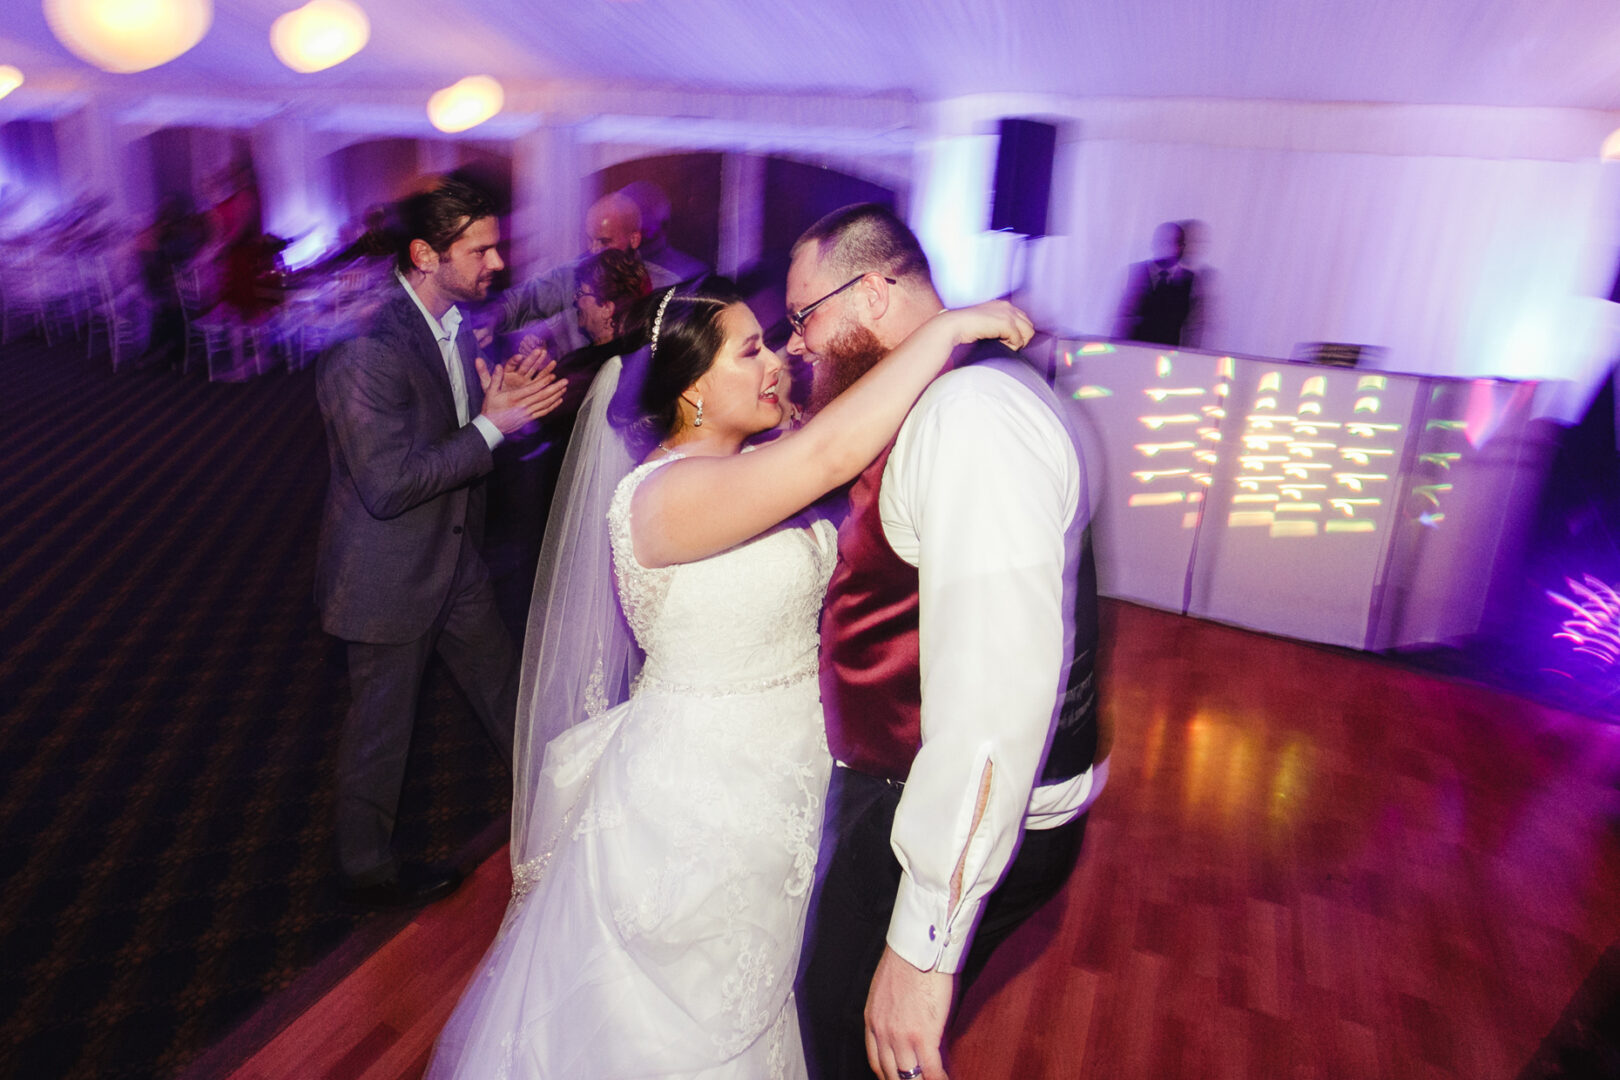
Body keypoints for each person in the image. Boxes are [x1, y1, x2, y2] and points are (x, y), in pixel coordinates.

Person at [424, 277, 1032, 1079]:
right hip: (698, 801)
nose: (777, 359)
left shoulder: (755, 464)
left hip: (787, 779)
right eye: (751, 350)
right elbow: (829, 453)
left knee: (763, 1004)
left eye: (771, 341)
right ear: (694, 391)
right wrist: (946, 328)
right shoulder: (661, 498)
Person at [786, 204, 1106, 1080]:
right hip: (921, 790)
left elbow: (995, 700)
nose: (799, 344)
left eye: (805, 315)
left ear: (876, 291)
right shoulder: (946, 392)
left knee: (849, 1035)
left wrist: (925, 949)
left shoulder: (971, 419)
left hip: (950, 809)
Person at [314, 176, 568, 910]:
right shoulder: (366, 350)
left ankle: (562, 809)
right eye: (481, 250)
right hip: (386, 572)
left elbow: (457, 421)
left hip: (455, 556)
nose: (496, 262)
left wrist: (499, 400)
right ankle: (366, 871)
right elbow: (388, 484)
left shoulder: (460, 320)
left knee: (507, 692)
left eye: (497, 245)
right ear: (426, 255)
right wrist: (494, 427)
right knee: (381, 734)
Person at [494, 190, 681, 356]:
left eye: (604, 242)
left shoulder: (667, 288)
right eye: (590, 240)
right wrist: (492, 319)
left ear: (634, 239)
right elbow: (519, 302)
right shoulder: (571, 277)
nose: (594, 250)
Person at [1114, 219, 1209, 347]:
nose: (1170, 248)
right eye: (1164, 242)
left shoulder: (1191, 280)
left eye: (1177, 243)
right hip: (1133, 352)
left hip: (1170, 356)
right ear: (1154, 244)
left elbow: (1194, 326)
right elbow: (1122, 317)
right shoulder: (1133, 272)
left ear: (1183, 247)